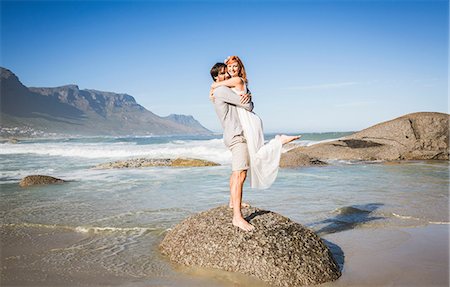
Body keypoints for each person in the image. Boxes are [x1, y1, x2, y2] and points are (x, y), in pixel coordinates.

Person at [211, 56, 300, 190]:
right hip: (244, 121)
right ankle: (279, 142)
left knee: (254, 157)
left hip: (248, 120)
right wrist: (249, 95)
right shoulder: (231, 83)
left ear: (240, 67)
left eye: (235, 66)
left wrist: (213, 88)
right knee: (250, 160)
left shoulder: (235, 80)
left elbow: (216, 86)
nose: (231, 69)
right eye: (229, 67)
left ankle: (279, 141)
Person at [210, 62, 255, 231]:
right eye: (222, 74)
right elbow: (248, 106)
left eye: (226, 72)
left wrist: (247, 95)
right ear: (216, 78)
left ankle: (232, 202)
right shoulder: (222, 90)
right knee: (240, 174)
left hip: (231, 135)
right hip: (237, 136)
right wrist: (248, 98)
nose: (226, 76)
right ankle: (237, 217)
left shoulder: (221, 90)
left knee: (236, 172)